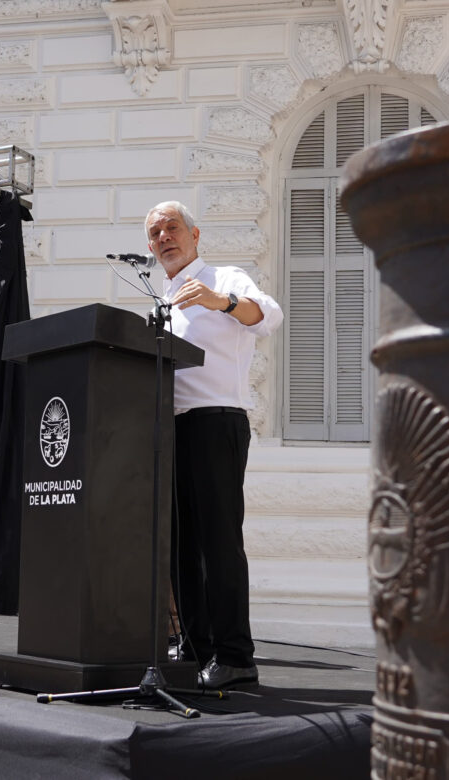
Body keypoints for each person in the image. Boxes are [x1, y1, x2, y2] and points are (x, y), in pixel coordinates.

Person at [145, 201, 283, 689]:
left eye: (173, 227)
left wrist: (218, 301)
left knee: (218, 545)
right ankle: (196, 647)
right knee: (180, 544)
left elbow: (269, 316)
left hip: (216, 422)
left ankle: (235, 655)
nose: (165, 237)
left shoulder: (225, 277)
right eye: (156, 232)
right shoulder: (159, 295)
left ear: (195, 234)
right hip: (170, 430)